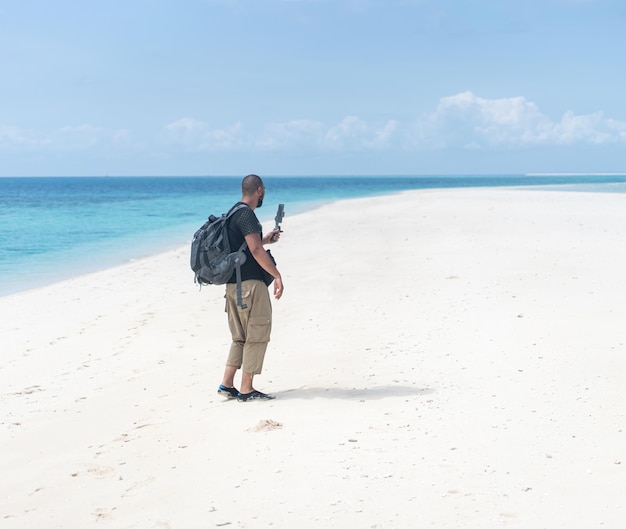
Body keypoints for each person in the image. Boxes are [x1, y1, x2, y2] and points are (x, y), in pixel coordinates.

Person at [217, 174, 284, 402]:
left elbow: (245, 247)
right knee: (257, 334)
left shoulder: (232, 213)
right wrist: (276, 275)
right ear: (260, 190)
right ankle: (246, 389)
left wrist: (264, 241)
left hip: (232, 286)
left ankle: (227, 385)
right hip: (250, 286)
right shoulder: (247, 215)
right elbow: (255, 252)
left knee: (240, 337)